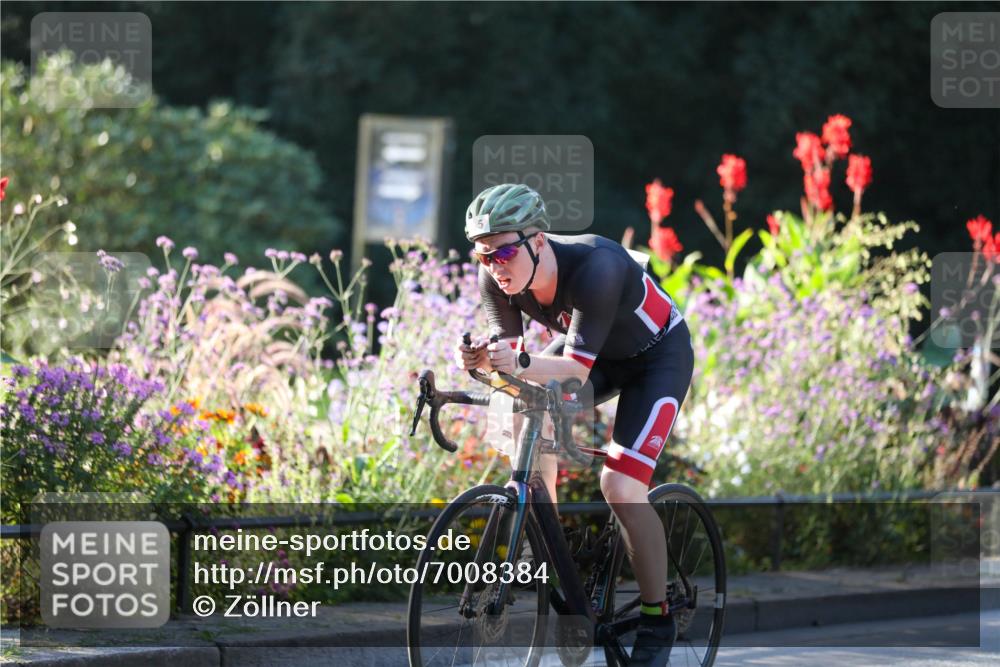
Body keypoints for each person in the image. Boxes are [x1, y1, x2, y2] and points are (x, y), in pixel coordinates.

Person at [455, 183, 694, 667]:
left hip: (655, 360)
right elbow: (513, 365)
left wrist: (518, 363)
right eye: (483, 256)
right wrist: (482, 362)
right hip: (596, 354)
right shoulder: (497, 278)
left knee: (621, 486)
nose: (495, 265)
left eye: (504, 252)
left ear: (538, 240)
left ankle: (657, 618)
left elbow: (575, 374)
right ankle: (546, 542)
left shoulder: (596, 266)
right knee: (524, 408)